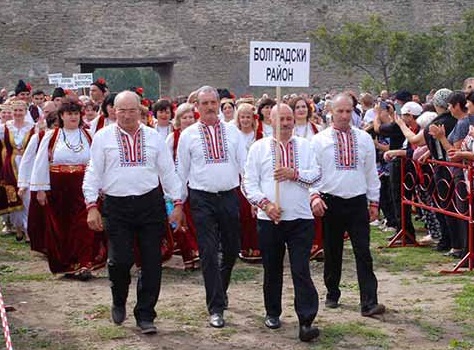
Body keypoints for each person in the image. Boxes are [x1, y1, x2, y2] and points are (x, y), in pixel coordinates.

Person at [83, 90, 183, 334]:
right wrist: (91, 206)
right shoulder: (103, 137)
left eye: (132, 110)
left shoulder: (154, 138)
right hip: (116, 206)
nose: (127, 115)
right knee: (120, 261)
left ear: (141, 111)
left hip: (149, 205)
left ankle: (145, 314)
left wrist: (178, 203)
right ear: (113, 111)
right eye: (122, 110)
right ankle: (119, 299)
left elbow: (168, 172)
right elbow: (93, 172)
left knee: (152, 262)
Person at [243, 103, 321, 342]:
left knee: (300, 269)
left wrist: (294, 174)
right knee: (272, 268)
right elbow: (248, 183)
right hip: (270, 220)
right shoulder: (258, 148)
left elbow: (317, 175)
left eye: (289, 119)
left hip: (301, 219)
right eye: (281, 119)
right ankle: (272, 312)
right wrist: (265, 204)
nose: (286, 123)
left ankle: (306, 320)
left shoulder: (306, 146)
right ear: (270, 121)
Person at [310, 93, 385, 317]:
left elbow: (371, 172)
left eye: (348, 111)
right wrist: (314, 196)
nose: (344, 115)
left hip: (356, 202)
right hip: (330, 201)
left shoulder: (363, 139)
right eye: (339, 111)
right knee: (332, 251)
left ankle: (369, 302)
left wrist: (374, 201)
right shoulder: (319, 140)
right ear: (330, 112)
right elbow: (312, 172)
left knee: (363, 252)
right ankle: (332, 292)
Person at [177, 85, 245, 328]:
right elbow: (181, 171)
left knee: (231, 248)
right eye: (203, 103)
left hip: (228, 195)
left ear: (219, 104)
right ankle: (215, 307)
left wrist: (255, 197)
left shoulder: (233, 132)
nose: (208, 107)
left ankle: (221, 288)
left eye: (212, 103)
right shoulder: (188, 135)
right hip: (201, 198)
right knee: (207, 251)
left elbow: (244, 166)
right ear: (197, 106)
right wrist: (178, 203)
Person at [29, 96, 106, 278]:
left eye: (76, 114)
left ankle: (85, 263)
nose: (73, 117)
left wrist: (100, 186)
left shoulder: (89, 136)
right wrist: (40, 189)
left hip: (83, 185)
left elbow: (97, 162)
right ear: (61, 116)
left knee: (83, 225)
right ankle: (68, 264)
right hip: (59, 188)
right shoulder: (52, 136)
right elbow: (40, 163)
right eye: (69, 114)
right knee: (63, 227)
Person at [165, 102, 200, 270]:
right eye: (184, 117)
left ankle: (197, 251)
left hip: (196, 181)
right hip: (179, 183)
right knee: (182, 219)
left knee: (195, 219)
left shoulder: (198, 135)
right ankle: (189, 254)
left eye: (191, 117)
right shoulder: (173, 137)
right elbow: (166, 161)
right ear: (179, 119)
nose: (188, 120)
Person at [0, 100, 35, 242]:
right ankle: (18, 227)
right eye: (15, 110)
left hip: (28, 164)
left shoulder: (32, 128)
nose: (18, 113)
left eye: (20, 110)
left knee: (27, 197)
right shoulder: (5, 128)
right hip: (11, 164)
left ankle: (28, 229)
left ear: (25, 112)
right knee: (13, 195)